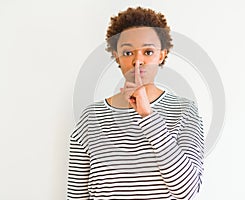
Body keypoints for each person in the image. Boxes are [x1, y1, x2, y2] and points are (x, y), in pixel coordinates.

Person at [67, 6, 205, 200]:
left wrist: (148, 116)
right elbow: (77, 195)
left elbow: (186, 191)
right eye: (127, 52)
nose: (137, 61)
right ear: (116, 55)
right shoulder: (91, 118)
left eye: (148, 52)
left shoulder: (184, 111)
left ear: (162, 55)